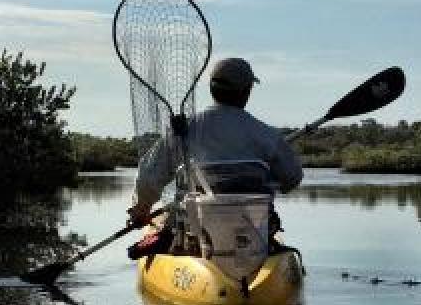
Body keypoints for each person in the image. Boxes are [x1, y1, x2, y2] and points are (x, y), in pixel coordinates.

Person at [127, 57, 304, 228]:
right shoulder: (267, 134)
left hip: (195, 229)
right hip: (253, 231)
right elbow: (292, 178)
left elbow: (148, 177)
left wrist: (141, 209)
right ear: (246, 91)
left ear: (212, 89)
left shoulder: (183, 131)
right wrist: (264, 178)